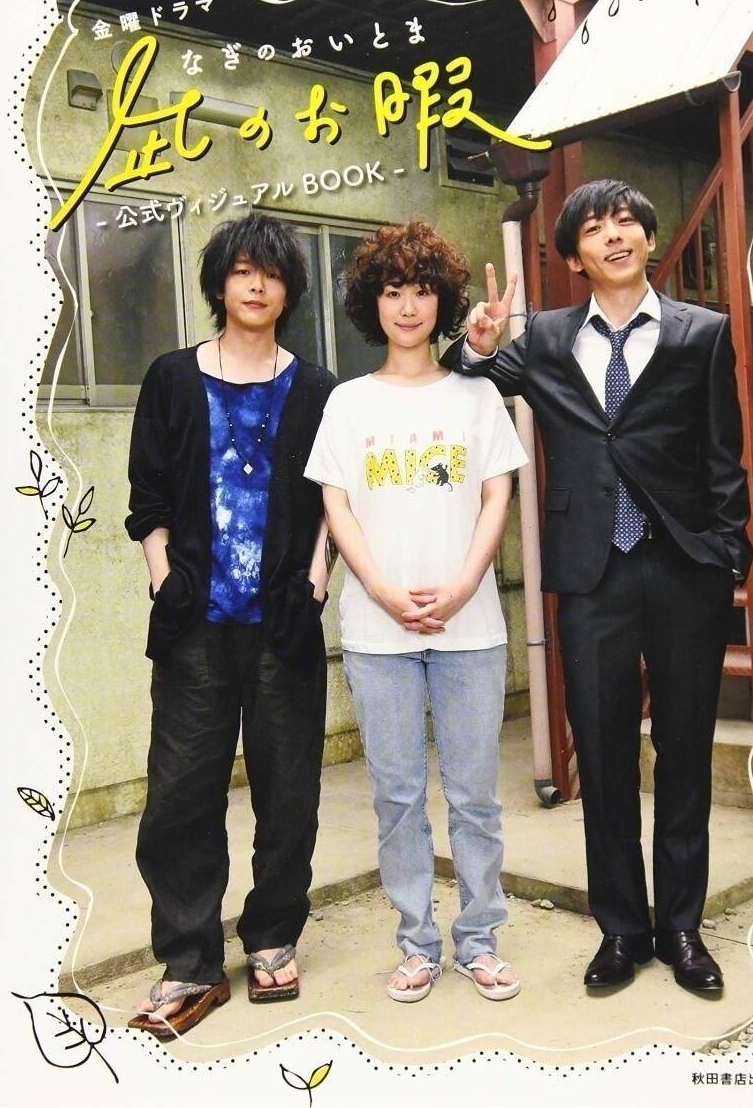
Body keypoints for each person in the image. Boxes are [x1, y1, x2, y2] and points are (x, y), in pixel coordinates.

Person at [442, 179, 751, 993]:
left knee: (683, 752)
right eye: (594, 227)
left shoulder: (701, 332)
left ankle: (681, 928)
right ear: (575, 256)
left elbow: (723, 455)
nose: (613, 235)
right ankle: (621, 930)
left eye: (626, 222)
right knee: (605, 757)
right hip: (590, 571)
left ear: (648, 238)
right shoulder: (545, 337)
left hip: (683, 566)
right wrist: (477, 342)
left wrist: (728, 556)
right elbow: (463, 374)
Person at [124, 213, 336, 1037]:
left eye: (271, 273)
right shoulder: (172, 378)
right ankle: (188, 959)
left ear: (289, 290)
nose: (256, 284)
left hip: (284, 622)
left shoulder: (315, 388)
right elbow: (147, 496)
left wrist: (316, 576)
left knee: (289, 792)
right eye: (242, 270)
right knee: (181, 792)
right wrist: (165, 579)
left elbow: (332, 498)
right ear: (220, 282)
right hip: (194, 624)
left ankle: (274, 933)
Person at [305, 221, 527, 1002]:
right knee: (397, 798)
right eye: (393, 291)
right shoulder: (348, 402)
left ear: (444, 302)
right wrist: (382, 590)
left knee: (475, 796)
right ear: (373, 303)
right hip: (377, 632)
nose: (408, 306)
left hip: (471, 629)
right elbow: (337, 506)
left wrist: (466, 582)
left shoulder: (477, 393)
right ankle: (417, 943)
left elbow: (498, 492)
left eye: (423, 290)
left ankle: (479, 939)